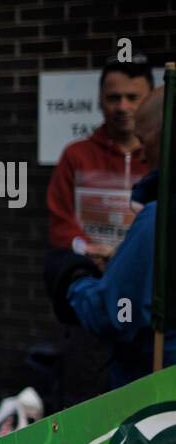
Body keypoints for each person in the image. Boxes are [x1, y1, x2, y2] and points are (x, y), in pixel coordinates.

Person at [46, 86, 175, 388]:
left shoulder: (158, 218)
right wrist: (124, 264)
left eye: (145, 141)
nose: (141, 154)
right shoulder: (76, 155)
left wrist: (72, 278)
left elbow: (116, 314)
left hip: (152, 393)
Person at [46, 55, 153, 267]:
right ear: (100, 100)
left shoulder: (162, 158)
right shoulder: (76, 155)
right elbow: (60, 223)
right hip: (90, 275)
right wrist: (88, 249)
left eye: (133, 97)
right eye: (114, 98)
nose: (123, 107)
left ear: (150, 100)